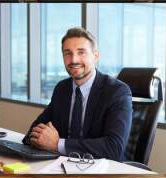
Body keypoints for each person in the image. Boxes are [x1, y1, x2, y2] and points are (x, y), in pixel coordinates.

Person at [22, 27, 132, 161]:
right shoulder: (62, 89)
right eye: (67, 53)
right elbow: (34, 131)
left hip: (100, 172)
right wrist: (39, 138)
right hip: (62, 166)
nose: (73, 60)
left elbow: (113, 148)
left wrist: (57, 144)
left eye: (81, 52)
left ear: (95, 56)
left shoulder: (116, 92)